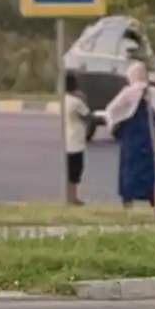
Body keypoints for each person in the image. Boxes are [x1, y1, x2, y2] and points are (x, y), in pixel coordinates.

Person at [103, 59, 155, 210]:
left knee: (129, 167)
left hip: (131, 137)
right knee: (150, 167)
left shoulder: (128, 93)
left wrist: (114, 127)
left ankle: (128, 199)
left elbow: (111, 110)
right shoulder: (154, 92)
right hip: (149, 137)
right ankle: (153, 198)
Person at [62, 70, 92, 207]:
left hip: (66, 140)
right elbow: (88, 117)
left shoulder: (64, 100)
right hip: (75, 141)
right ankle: (73, 198)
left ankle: (69, 197)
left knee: (69, 170)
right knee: (75, 171)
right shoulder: (76, 102)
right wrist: (83, 98)